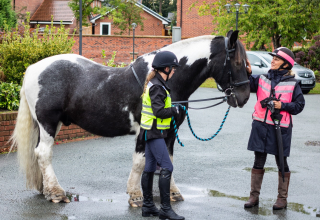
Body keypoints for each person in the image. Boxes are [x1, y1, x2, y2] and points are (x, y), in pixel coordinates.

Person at [244, 47, 305, 210]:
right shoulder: (262, 78)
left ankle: (282, 199)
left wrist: (282, 105)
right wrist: (247, 73)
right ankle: (254, 197)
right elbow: (247, 86)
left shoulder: (293, 83)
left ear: (286, 65)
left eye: (276, 59)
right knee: (258, 161)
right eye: (273, 58)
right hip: (260, 126)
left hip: (281, 128)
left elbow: (299, 106)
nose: (272, 61)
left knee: (281, 163)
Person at [140, 51, 185, 220]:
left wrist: (173, 106)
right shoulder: (158, 87)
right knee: (167, 167)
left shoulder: (155, 84)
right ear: (166, 68)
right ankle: (165, 209)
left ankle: (148, 206)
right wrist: (175, 110)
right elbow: (159, 111)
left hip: (149, 131)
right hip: (154, 132)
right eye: (173, 68)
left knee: (150, 168)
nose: (173, 71)